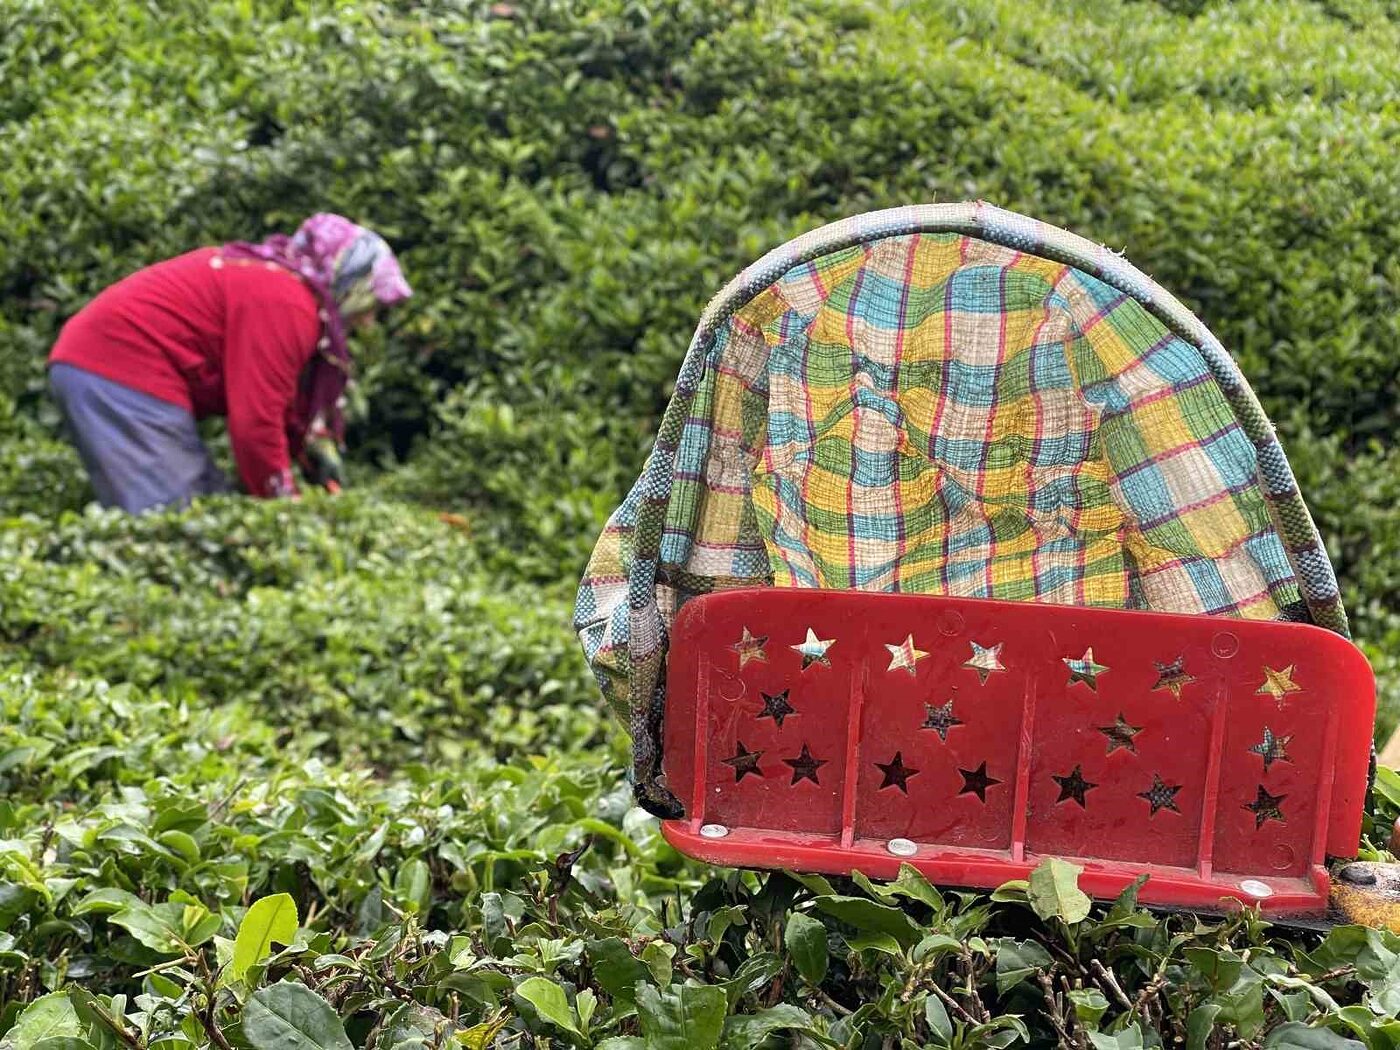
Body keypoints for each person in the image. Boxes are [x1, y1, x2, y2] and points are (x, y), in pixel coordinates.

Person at [47, 213, 411, 512]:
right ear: (347, 282)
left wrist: (308, 451)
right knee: (174, 523)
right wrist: (284, 510)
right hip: (117, 371)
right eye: (370, 306)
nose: (367, 322)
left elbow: (276, 398)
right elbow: (256, 422)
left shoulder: (279, 285)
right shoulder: (286, 302)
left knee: (208, 506)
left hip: (109, 369)